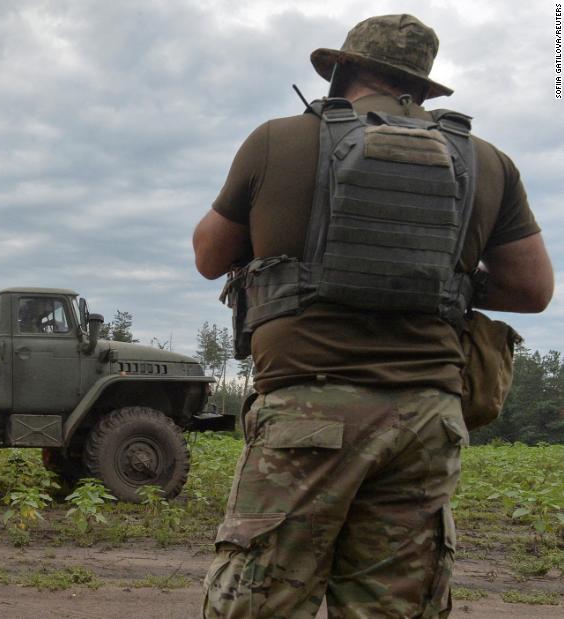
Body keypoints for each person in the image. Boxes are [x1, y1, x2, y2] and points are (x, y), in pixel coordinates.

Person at [192, 14, 553, 618]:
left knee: (263, 602)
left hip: (307, 413)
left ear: (339, 71)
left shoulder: (278, 140)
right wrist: (434, 273)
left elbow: (209, 256)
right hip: (425, 421)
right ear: (423, 88)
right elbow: (532, 288)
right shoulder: (488, 162)